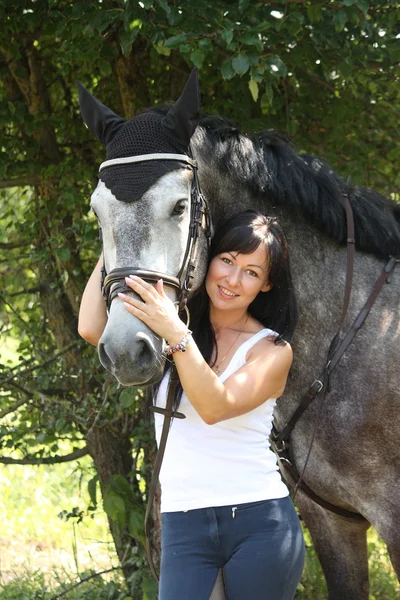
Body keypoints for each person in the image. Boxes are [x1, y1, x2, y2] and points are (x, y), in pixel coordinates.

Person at [78, 209, 305, 600]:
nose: (233, 280)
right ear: (209, 258)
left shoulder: (271, 349)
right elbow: (91, 327)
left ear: (266, 285)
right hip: (184, 520)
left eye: (251, 272)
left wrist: (177, 334)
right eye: (228, 261)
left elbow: (215, 406)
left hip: (259, 522)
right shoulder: (173, 325)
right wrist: (112, 241)